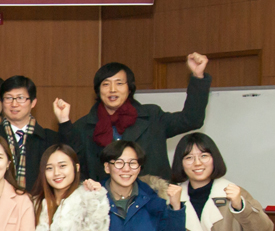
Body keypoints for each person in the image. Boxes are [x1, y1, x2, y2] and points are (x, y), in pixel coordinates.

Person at [56, 53, 211, 180]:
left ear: (129, 89)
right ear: (98, 90)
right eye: (106, 84)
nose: (112, 89)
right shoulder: (83, 126)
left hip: (151, 200)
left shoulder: (152, 116)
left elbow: (192, 120)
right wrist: (64, 122)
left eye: (119, 83)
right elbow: (73, 164)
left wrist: (198, 76)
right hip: (103, 202)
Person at [0, 76, 60, 190]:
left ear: (33, 102)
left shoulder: (50, 139)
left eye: (20, 98)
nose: (14, 104)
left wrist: (64, 122)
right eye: (8, 98)